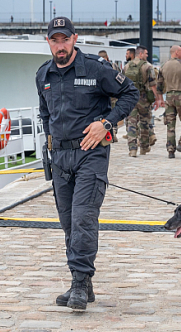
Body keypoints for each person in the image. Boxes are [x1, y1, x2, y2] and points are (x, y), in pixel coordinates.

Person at [35, 17, 139, 311]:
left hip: (90, 153)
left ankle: (79, 283)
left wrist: (106, 124)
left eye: (65, 39)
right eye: (55, 40)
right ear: (49, 42)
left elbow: (131, 94)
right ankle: (84, 283)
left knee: (83, 218)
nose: (60, 46)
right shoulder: (43, 75)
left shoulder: (95, 68)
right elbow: (46, 116)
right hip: (60, 159)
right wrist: (51, 146)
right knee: (68, 221)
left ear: (74, 39)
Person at [122, 45, 162, 157]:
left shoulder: (126, 66)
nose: (147, 55)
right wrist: (157, 99)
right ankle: (144, 147)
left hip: (130, 98)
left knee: (131, 123)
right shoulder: (148, 66)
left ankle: (132, 148)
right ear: (140, 54)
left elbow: (121, 83)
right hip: (144, 98)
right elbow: (153, 84)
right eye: (146, 53)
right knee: (144, 123)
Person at [98, 50, 122, 142]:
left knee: (105, 115)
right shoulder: (114, 66)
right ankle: (114, 131)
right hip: (113, 94)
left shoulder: (97, 66)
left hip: (103, 95)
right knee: (114, 113)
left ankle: (109, 132)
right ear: (107, 57)